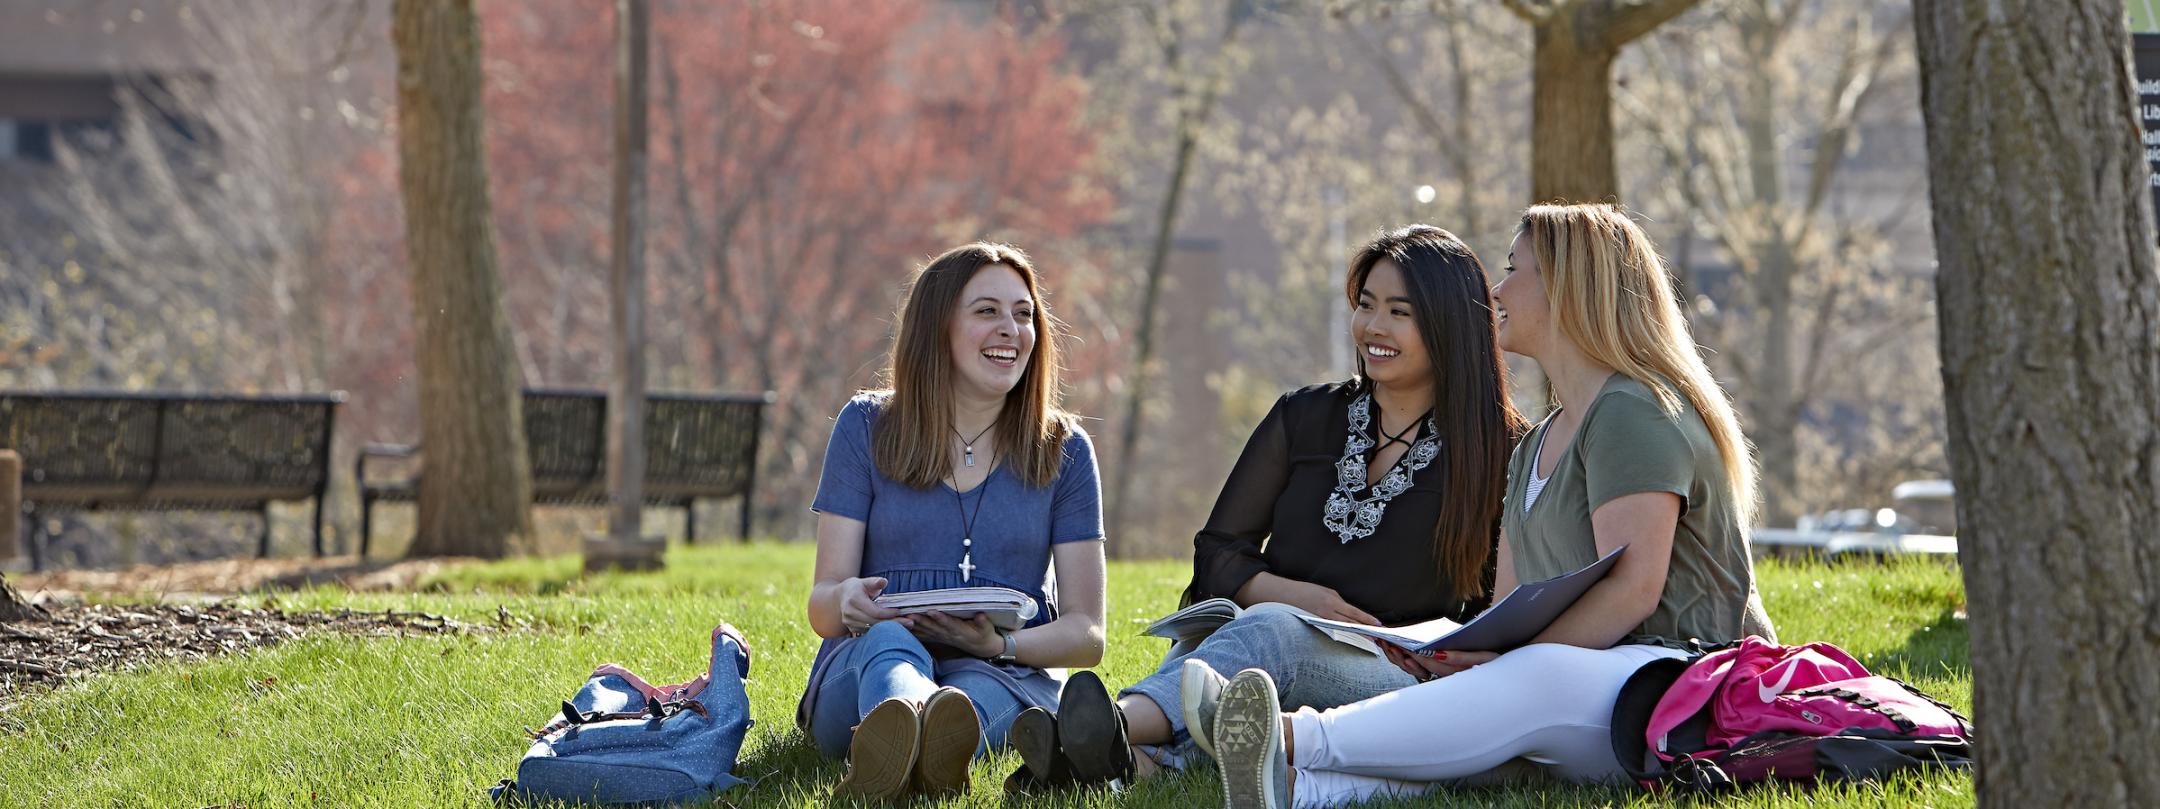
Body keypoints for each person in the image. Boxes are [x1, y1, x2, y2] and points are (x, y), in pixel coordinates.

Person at [1208, 202, 1779, 808]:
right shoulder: (1535, 441)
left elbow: (1634, 589)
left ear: (1567, 289)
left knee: (1532, 680)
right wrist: (1468, 652)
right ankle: (1300, 790)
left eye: (1514, 269)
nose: (1498, 289)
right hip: (1582, 692)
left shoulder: (1632, 412)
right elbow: (1508, 610)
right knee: (1507, 713)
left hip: (1670, 684)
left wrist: (1507, 665)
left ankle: (1292, 739)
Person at [1009, 226, 1526, 790]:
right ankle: (1114, 770)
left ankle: (1103, 730)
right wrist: (1294, 597)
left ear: (1449, 323)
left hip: (1396, 683)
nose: (1374, 327)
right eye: (1366, 305)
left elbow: (1502, 612)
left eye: (1400, 312)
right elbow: (1218, 551)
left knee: (1267, 636)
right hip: (1259, 649)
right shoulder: (1303, 417)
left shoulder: (1501, 449)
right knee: (1223, 641)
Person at [798, 242, 1107, 801]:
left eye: (1023, 313)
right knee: (891, 643)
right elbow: (822, 605)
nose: (1011, 328)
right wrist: (845, 598)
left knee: (971, 701)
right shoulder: (865, 427)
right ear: (936, 327)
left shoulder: (1065, 451)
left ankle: (908, 754)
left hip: (999, 671)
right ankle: (907, 725)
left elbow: (1087, 635)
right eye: (986, 311)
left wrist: (1000, 648)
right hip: (869, 660)